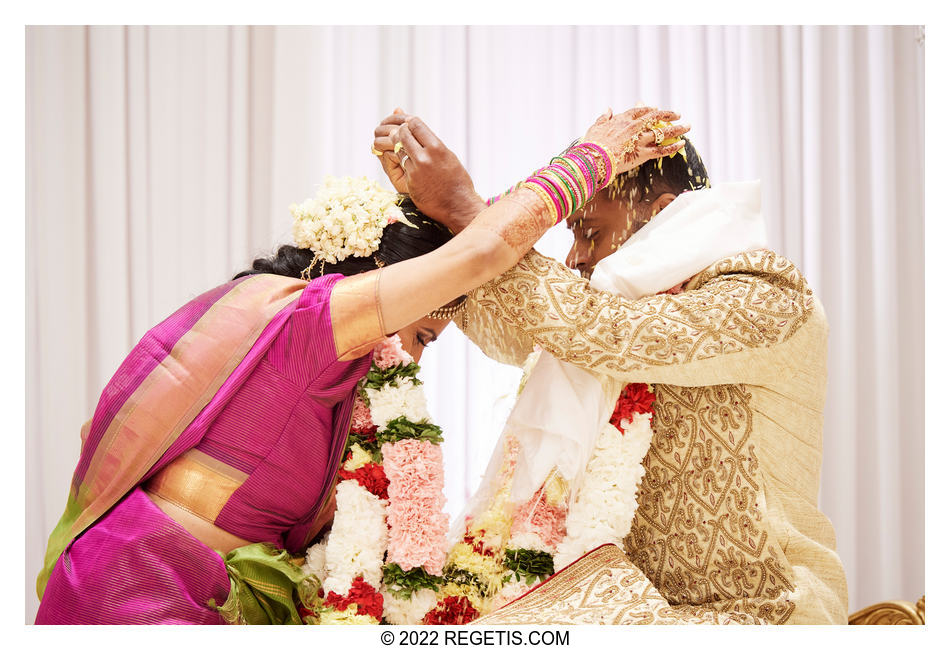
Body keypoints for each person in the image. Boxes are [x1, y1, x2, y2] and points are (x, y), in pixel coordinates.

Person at [34, 106, 687, 624]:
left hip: (212, 603)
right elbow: (486, 249)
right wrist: (592, 155)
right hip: (137, 598)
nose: (412, 359)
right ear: (385, 279)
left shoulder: (330, 371)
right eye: (425, 335)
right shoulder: (313, 326)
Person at [371, 111, 849, 624]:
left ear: (662, 211)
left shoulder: (765, 295)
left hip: (762, 611)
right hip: (627, 601)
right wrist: (430, 217)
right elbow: (509, 323)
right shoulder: (592, 308)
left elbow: (607, 333)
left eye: (590, 233)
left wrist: (465, 210)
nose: (575, 258)